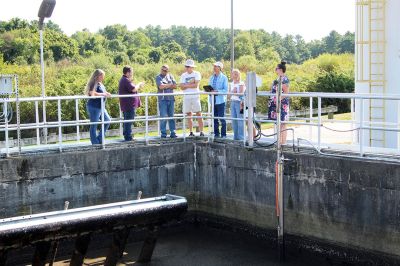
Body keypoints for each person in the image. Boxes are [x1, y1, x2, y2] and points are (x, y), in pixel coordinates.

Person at [85, 69, 111, 145]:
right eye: (102, 76)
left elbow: (101, 92)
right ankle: (94, 142)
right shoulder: (93, 83)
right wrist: (103, 94)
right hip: (94, 107)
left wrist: (106, 93)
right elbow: (91, 93)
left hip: (101, 107)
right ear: (98, 76)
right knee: (94, 124)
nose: (103, 78)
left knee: (107, 120)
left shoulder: (100, 83)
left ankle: (100, 138)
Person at [118, 66, 144, 141]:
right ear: (128, 72)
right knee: (129, 120)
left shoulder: (124, 80)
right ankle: (128, 136)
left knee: (127, 120)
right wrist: (139, 84)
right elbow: (133, 89)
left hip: (127, 105)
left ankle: (127, 135)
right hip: (129, 105)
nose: (132, 73)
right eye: (131, 72)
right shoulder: (125, 80)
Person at [179, 59, 204, 137]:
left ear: (192, 67)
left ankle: (201, 131)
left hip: (195, 96)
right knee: (189, 115)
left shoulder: (197, 73)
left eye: (188, 66)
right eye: (186, 66)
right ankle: (191, 132)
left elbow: (196, 85)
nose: (187, 68)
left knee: (198, 113)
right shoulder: (183, 75)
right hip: (187, 97)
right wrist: (190, 83)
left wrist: (186, 85)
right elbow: (181, 87)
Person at [268, 61, 290, 144]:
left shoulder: (285, 79)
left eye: (276, 68)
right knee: (278, 124)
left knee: (283, 124)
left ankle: (283, 142)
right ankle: (279, 141)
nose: (275, 70)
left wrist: (278, 99)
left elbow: (286, 93)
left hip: (282, 104)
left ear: (280, 69)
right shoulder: (277, 79)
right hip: (275, 104)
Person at [156, 65, 177, 138]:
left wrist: (165, 85)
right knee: (163, 117)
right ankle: (163, 133)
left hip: (171, 99)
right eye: (162, 70)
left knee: (171, 116)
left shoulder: (171, 76)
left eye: (165, 70)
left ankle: (173, 132)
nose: (163, 71)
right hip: (162, 100)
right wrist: (169, 85)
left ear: (168, 71)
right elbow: (160, 87)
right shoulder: (158, 77)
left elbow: (175, 86)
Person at [209, 61, 228, 138]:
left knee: (221, 118)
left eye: (216, 66)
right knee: (214, 118)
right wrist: (208, 90)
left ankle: (223, 134)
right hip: (213, 100)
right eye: (214, 66)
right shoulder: (211, 77)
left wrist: (217, 91)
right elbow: (210, 87)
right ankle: (216, 134)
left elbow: (225, 90)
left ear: (220, 68)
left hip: (221, 100)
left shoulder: (224, 77)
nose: (214, 67)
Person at [229, 69, 246, 140]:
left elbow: (241, 94)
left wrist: (234, 92)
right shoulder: (231, 84)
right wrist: (233, 92)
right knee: (234, 120)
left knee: (240, 120)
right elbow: (228, 95)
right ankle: (235, 137)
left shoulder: (241, 83)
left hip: (239, 103)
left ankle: (241, 137)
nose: (233, 75)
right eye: (233, 74)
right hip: (232, 102)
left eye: (235, 74)